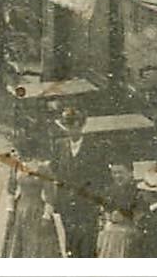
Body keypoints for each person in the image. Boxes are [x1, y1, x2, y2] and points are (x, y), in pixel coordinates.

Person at [50, 106, 106, 258]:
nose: (70, 130)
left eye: (73, 126)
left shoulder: (94, 147)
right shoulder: (59, 146)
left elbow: (101, 177)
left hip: (87, 206)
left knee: (87, 245)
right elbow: (55, 171)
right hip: (67, 206)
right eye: (67, 126)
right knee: (71, 245)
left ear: (80, 126)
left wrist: (98, 202)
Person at [5, 159, 68, 258]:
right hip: (20, 211)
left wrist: (46, 216)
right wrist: (11, 210)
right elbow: (11, 189)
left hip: (36, 211)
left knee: (36, 246)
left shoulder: (43, 168)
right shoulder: (16, 166)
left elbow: (50, 195)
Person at [95, 162, 141, 258]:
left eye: (120, 172)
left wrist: (126, 219)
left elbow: (140, 216)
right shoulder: (109, 191)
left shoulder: (138, 191)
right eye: (114, 173)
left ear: (130, 173)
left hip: (129, 234)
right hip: (111, 236)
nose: (117, 176)